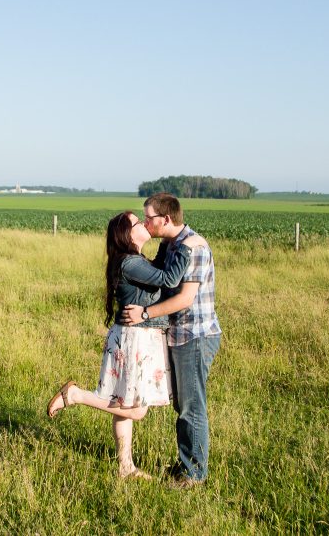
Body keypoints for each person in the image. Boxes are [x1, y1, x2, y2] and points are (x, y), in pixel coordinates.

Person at [47, 210, 203, 479]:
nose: (143, 223)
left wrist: (167, 244)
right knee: (137, 408)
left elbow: (158, 272)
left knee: (125, 404)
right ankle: (75, 395)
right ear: (126, 234)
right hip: (134, 338)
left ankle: (125, 466)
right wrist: (187, 247)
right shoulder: (129, 262)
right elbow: (168, 279)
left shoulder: (135, 260)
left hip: (136, 335)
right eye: (136, 222)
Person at [119, 193, 221, 488]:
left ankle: (194, 475)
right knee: (183, 404)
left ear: (165, 219)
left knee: (192, 406)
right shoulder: (169, 244)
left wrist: (145, 313)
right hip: (178, 334)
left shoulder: (195, 247)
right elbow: (158, 277)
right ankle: (186, 463)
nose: (145, 221)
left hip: (195, 335)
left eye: (148, 217)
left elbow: (184, 298)